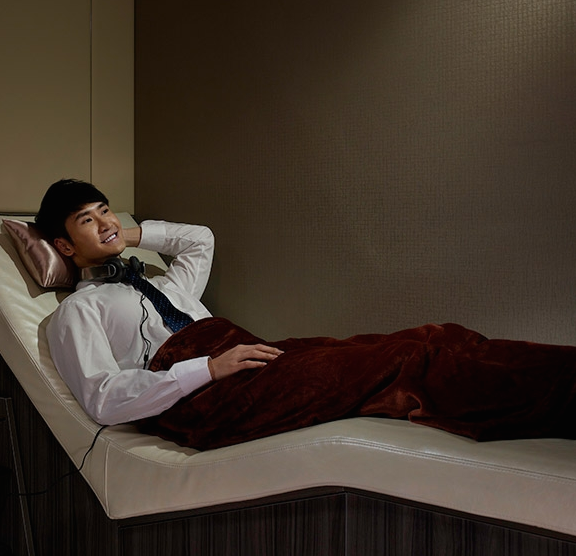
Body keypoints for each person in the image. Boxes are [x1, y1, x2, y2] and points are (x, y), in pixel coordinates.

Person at [37, 179, 576, 449]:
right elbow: (103, 397)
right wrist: (207, 369)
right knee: (406, 360)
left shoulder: (162, 283)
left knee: (437, 334)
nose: (104, 221)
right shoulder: (77, 311)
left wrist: (125, 234)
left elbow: (200, 240)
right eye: (87, 220)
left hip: (251, 356)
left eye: (105, 210)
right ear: (63, 244)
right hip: (202, 396)